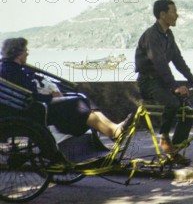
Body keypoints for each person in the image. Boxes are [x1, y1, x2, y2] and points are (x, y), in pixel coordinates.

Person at [0, 37, 132, 140]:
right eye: (25, 51)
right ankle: (112, 131)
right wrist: (51, 97)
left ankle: (113, 129)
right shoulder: (12, 71)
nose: (27, 54)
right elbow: (28, 95)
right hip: (34, 109)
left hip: (34, 105)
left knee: (81, 98)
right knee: (78, 102)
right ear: (18, 53)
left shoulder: (13, 68)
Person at [134, 0, 193, 165]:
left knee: (188, 110)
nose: (177, 15)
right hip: (148, 82)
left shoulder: (168, 34)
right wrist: (175, 87)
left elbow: (178, 60)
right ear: (163, 15)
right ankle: (164, 139)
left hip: (161, 81)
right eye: (174, 12)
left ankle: (175, 150)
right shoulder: (151, 35)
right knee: (173, 103)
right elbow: (160, 64)